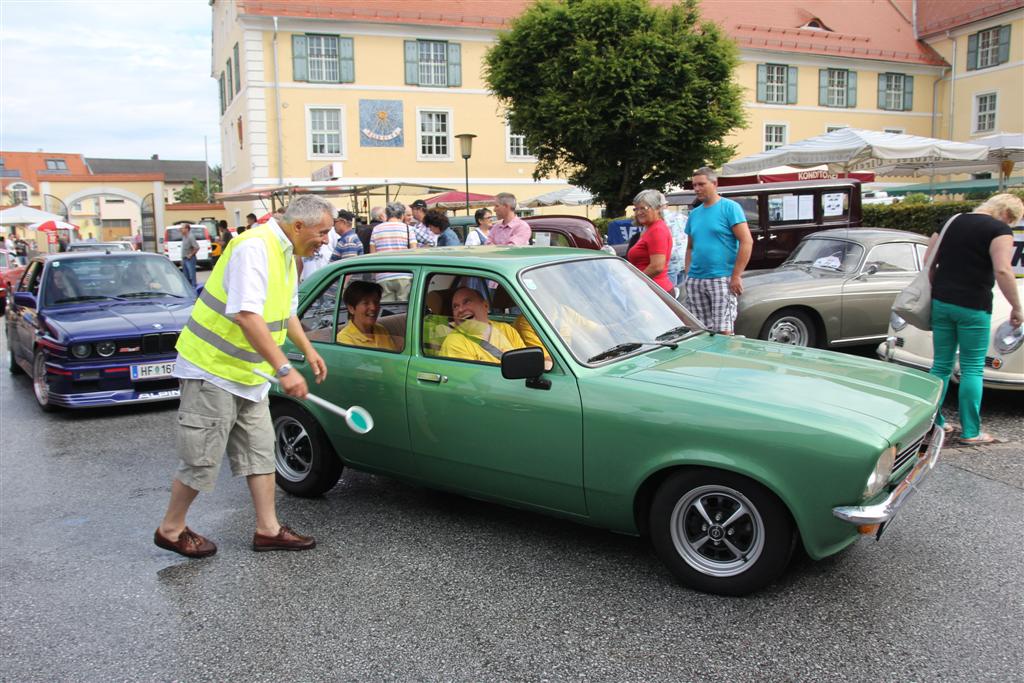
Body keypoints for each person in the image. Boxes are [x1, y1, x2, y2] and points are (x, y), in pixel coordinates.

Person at [154, 194, 332, 558]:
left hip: (249, 374)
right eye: (323, 231)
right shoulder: (253, 248)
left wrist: (309, 350)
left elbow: (286, 313)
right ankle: (170, 529)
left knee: (260, 450)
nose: (326, 239)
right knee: (202, 457)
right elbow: (246, 316)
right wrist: (284, 369)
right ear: (298, 226)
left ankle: (267, 530)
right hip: (212, 370)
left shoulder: (287, 254)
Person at [927, 193, 1024, 445]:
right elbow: (1003, 270)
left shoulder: (951, 221)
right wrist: (1016, 307)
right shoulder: (999, 230)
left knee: (940, 366)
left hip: (941, 301)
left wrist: (942, 288)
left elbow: (929, 261)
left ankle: (933, 423)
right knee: (971, 368)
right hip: (973, 305)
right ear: (1007, 215)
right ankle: (971, 432)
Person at [684, 167, 753, 334]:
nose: (697, 189)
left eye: (701, 184)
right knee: (701, 331)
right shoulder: (695, 214)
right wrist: (688, 273)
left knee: (724, 330)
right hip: (696, 279)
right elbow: (690, 247)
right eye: (694, 185)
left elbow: (746, 241)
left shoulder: (730, 208)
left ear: (714, 184)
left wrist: (736, 275)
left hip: (721, 278)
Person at [440, 287, 526, 363]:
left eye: (467, 302)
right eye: (455, 307)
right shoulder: (454, 342)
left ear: (485, 305)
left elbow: (525, 362)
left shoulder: (506, 329)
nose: (460, 309)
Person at [627, 189, 674, 294]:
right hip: (650, 289)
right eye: (636, 209)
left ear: (657, 208)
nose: (639, 212)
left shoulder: (657, 230)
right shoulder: (650, 228)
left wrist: (634, 282)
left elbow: (657, 267)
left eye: (643, 208)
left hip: (654, 291)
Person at [369, 201, 416, 301]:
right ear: (402, 215)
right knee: (404, 311)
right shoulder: (408, 229)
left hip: (383, 276)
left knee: (387, 311)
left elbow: (372, 255)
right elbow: (414, 252)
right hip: (404, 274)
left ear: (387, 214)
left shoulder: (376, 229)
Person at [336, 280, 399, 350]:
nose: (373, 307)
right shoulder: (344, 339)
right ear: (351, 308)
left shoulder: (381, 330)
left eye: (376, 302)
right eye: (365, 303)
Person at [665, 208, 689, 298]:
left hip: (671, 262)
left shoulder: (659, 219)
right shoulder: (681, 216)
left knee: (671, 297)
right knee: (681, 294)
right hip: (683, 259)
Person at [179, 223, 199, 288]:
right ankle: (189, 289)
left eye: (182, 228)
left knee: (191, 275)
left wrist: (191, 255)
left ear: (187, 229)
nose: (180, 230)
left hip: (190, 260)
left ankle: (194, 288)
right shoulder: (184, 236)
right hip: (184, 259)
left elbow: (197, 247)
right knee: (186, 276)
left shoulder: (191, 237)